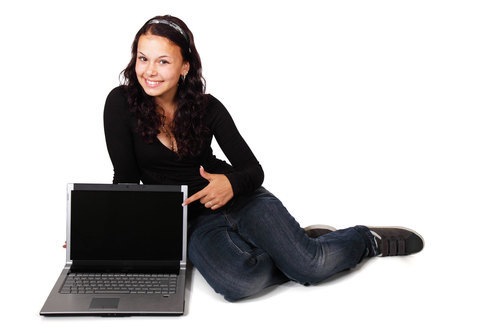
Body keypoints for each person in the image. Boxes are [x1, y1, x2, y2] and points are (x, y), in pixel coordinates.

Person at [103, 15, 424, 302]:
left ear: (184, 66)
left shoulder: (208, 107)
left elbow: (253, 171)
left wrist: (229, 183)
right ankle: (297, 247)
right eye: (143, 58)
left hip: (240, 198)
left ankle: (364, 239)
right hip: (192, 221)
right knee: (239, 282)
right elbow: (127, 181)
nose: (149, 71)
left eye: (163, 61)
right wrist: (98, 233)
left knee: (311, 267)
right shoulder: (120, 104)